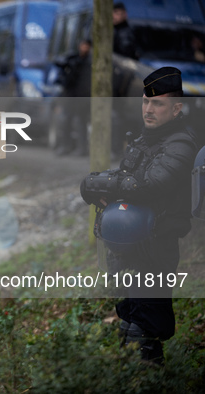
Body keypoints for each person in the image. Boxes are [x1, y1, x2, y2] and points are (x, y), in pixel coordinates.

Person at [80, 67, 198, 364]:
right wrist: (103, 188)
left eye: (157, 103)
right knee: (128, 323)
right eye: (146, 101)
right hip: (130, 246)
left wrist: (105, 184)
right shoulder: (145, 140)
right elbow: (127, 183)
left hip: (155, 247)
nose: (148, 109)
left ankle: (150, 382)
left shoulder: (180, 143)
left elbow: (148, 185)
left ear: (176, 108)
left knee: (144, 332)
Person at [55, 39, 92, 156]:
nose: (84, 48)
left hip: (83, 96)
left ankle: (81, 148)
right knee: (66, 120)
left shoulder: (90, 62)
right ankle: (66, 146)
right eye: (83, 45)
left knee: (81, 122)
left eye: (87, 46)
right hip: (70, 95)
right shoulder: (72, 59)